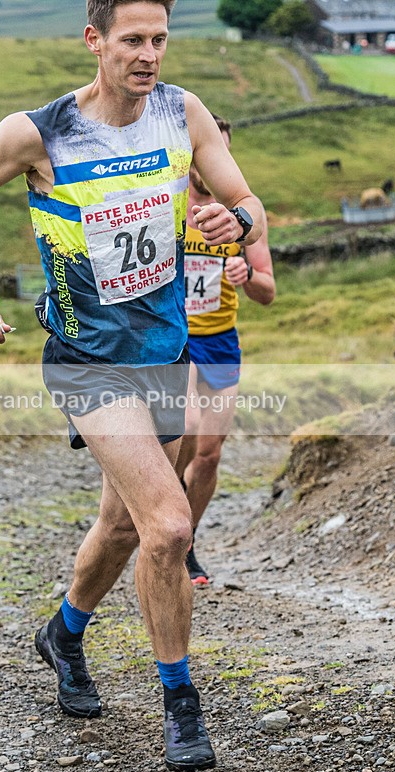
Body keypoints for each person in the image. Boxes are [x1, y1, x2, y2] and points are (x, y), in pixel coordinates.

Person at [0, 0, 264, 772]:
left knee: (122, 527)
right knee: (167, 525)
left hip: (162, 352)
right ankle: (180, 703)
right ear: (94, 41)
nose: (148, 53)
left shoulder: (182, 113)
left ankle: (62, 633)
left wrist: (239, 223)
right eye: (132, 40)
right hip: (87, 362)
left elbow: (246, 202)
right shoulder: (40, 130)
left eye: (159, 39)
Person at [176, 115, 275, 586]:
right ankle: (166, 514)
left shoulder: (244, 218)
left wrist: (247, 276)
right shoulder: (170, 207)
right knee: (188, 428)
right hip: (174, 339)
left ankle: (186, 542)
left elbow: (269, 290)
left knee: (210, 455)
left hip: (221, 341)